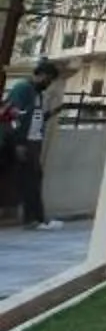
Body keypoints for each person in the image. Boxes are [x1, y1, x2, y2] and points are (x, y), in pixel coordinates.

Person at [1, 61, 62, 228]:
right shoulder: (23, 89)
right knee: (29, 180)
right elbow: (13, 116)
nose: (48, 84)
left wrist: (50, 113)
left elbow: (33, 118)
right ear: (41, 75)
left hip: (32, 141)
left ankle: (36, 218)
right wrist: (19, 143)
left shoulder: (37, 94)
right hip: (22, 141)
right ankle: (34, 219)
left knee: (33, 178)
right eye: (48, 79)